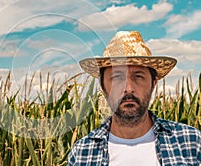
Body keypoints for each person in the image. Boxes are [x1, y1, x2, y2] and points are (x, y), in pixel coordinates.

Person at [68, 30, 201, 165]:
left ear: (153, 83)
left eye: (138, 76)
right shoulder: (81, 152)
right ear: (103, 86)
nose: (129, 88)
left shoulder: (191, 142)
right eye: (117, 77)